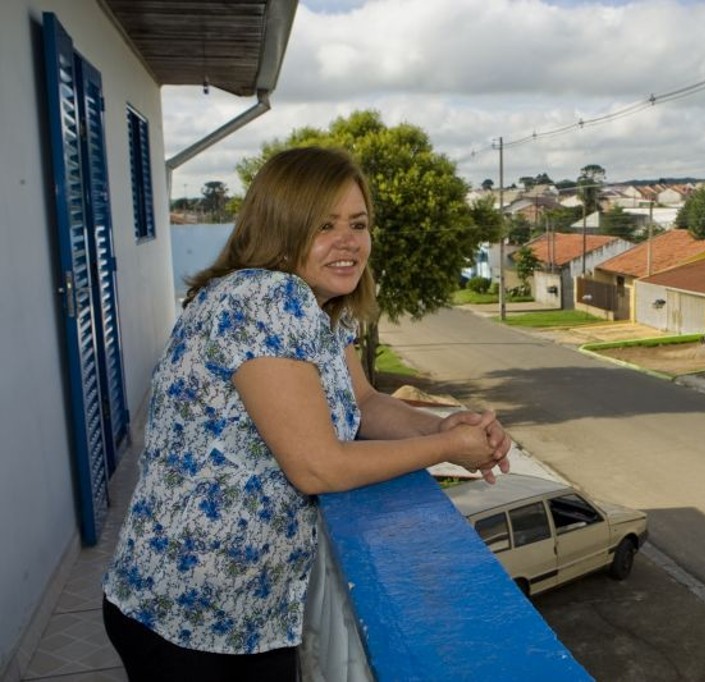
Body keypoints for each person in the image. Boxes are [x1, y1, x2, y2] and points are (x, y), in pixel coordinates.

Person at [101, 146, 512, 681]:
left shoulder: (318, 310)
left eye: (358, 224)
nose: (348, 241)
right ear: (282, 228)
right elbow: (318, 466)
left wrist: (443, 425)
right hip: (191, 616)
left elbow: (364, 404)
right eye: (324, 225)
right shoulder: (265, 298)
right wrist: (447, 450)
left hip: (240, 612)